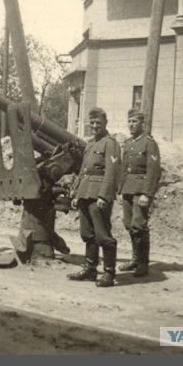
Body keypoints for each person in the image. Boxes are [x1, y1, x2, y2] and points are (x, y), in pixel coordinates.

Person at [67, 107, 120, 287]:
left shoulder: (110, 143)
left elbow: (111, 172)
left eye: (98, 123)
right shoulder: (90, 144)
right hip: (85, 193)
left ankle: (109, 273)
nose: (95, 126)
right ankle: (90, 269)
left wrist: (104, 196)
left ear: (105, 123)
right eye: (93, 123)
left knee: (103, 235)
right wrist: (76, 192)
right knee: (87, 234)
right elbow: (83, 170)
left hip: (98, 195)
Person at [117, 109, 161, 277]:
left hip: (141, 190)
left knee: (139, 225)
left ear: (142, 123)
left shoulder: (149, 143)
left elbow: (153, 170)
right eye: (129, 121)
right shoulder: (128, 143)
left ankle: (143, 263)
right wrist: (120, 190)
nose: (131, 124)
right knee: (129, 225)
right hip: (128, 189)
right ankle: (135, 259)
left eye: (135, 121)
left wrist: (147, 194)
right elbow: (123, 169)